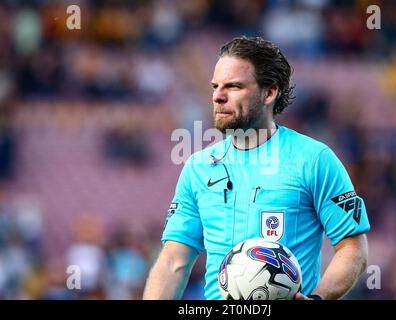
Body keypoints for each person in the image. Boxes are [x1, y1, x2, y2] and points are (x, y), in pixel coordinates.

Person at [143, 36, 370, 300]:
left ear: (269, 92)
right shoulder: (198, 168)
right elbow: (173, 262)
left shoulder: (315, 159)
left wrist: (317, 298)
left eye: (234, 86)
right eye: (215, 86)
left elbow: (353, 249)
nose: (218, 96)